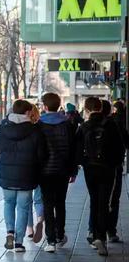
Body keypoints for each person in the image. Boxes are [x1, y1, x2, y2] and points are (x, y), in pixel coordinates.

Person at [0, 99, 47, 253]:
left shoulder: (3, 127)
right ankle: (19, 242)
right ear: (28, 112)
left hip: (7, 175)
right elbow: (41, 155)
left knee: (9, 203)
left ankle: (10, 231)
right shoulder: (35, 130)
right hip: (27, 175)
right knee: (23, 207)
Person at [77, 97, 123, 256]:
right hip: (107, 170)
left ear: (87, 109)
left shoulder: (84, 126)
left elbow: (77, 151)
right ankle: (101, 237)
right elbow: (120, 149)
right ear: (101, 108)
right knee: (104, 202)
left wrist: (84, 163)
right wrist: (114, 164)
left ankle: (94, 233)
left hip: (90, 170)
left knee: (94, 200)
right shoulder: (111, 125)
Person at [37, 93, 78, 253]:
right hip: (63, 170)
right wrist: (73, 170)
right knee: (60, 204)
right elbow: (73, 150)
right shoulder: (67, 125)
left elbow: (38, 151)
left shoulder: (39, 125)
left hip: (45, 172)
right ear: (58, 106)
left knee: (47, 204)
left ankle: (50, 240)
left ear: (45, 107)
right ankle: (60, 235)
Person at [108, 101, 129, 242]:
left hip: (96, 168)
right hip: (115, 166)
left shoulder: (89, 125)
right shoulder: (119, 122)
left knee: (97, 200)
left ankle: (95, 231)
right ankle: (111, 231)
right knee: (113, 199)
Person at [26, 105, 45, 244]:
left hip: (25, 169)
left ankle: (30, 229)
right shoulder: (41, 127)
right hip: (40, 168)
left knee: (26, 201)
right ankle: (40, 220)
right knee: (39, 199)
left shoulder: (23, 128)